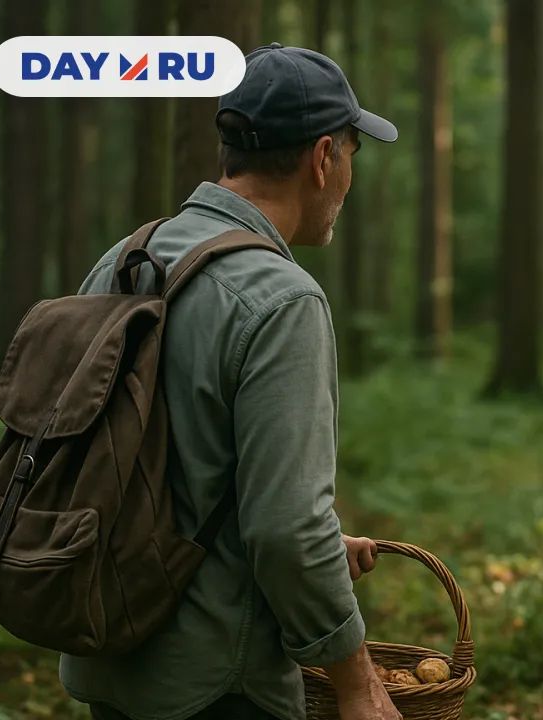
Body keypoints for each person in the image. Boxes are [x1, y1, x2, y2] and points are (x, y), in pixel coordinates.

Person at [60, 44, 402, 720]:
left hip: (111, 665)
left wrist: (316, 547)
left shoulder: (122, 260)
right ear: (324, 156)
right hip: (219, 688)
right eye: (353, 157)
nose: (346, 180)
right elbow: (285, 530)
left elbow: (145, 466)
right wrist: (357, 681)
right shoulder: (284, 300)